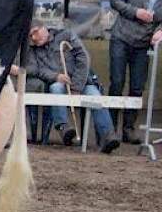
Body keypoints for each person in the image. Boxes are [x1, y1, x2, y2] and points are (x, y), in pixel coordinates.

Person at [23, 22, 120, 154]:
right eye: (31, 35)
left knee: (95, 97)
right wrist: (56, 76)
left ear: (44, 29)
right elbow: (38, 70)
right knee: (56, 88)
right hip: (59, 82)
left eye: (36, 32)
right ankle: (64, 127)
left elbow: (83, 57)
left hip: (83, 82)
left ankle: (108, 136)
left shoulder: (66, 35)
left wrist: (76, 86)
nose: (34, 37)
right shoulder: (33, 49)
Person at [109, 0, 162, 144]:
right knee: (117, 83)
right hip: (121, 38)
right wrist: (135, 12)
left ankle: (128, 129)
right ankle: (110, 129)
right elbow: (114, 0)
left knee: (137, 87)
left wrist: (160, 31)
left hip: (142, 45)